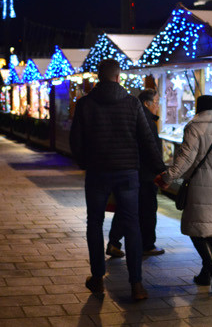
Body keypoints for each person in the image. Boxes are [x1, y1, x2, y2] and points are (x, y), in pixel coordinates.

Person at [71, 59, 164, 302]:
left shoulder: (85, 104)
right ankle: (137, 285)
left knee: (94, 222)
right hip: (127, 172)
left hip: (97, 173)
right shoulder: (132, 103)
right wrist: (160, 170)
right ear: (118, 76)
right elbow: (147, 140)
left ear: (98, 77)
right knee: (132, 224)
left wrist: (86, 163)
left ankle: (98, 278)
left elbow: (76, 143)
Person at [161, 95, 212, 292]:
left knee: (196, 229)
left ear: (198, 108)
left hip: (201, 186)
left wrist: (168, 177)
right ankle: (205, 274)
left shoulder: (194, 127)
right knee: (210, 230)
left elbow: (185, 158)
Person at [107, 89, 167, 259]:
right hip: (145, 174)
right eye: (156, 102)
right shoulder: (146, 120)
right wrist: (160, 170)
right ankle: (147, 245)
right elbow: (150, 147)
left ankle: (114, 242)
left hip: (130, 171)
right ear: (147, 104)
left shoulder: (132, 117)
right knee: (147, 210)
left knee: (126, 209)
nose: (157, 106)